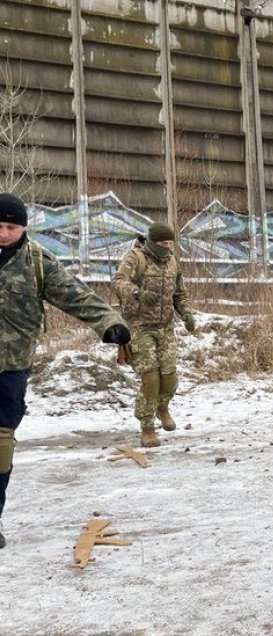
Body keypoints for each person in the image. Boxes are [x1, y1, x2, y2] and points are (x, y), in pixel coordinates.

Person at [0, 192, 130, 550]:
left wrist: (108, 322)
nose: (3, 233)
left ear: (23, 227)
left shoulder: (38, 263)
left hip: (10, 368)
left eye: (11, 226)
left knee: (0, 446)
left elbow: (76, 294)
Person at [113, 223, 195, 448]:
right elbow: (119, 282)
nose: (167, 247)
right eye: (163, 244)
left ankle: (162, 407)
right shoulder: (135, 258)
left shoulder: (172, 262)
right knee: (150, 378)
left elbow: (179, 293)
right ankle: (147, 427)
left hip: (165, 327)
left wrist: (186, 313)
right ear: (152, 242)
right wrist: (138, 293)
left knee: (170, 377)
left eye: (170, 243)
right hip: (139, 327)